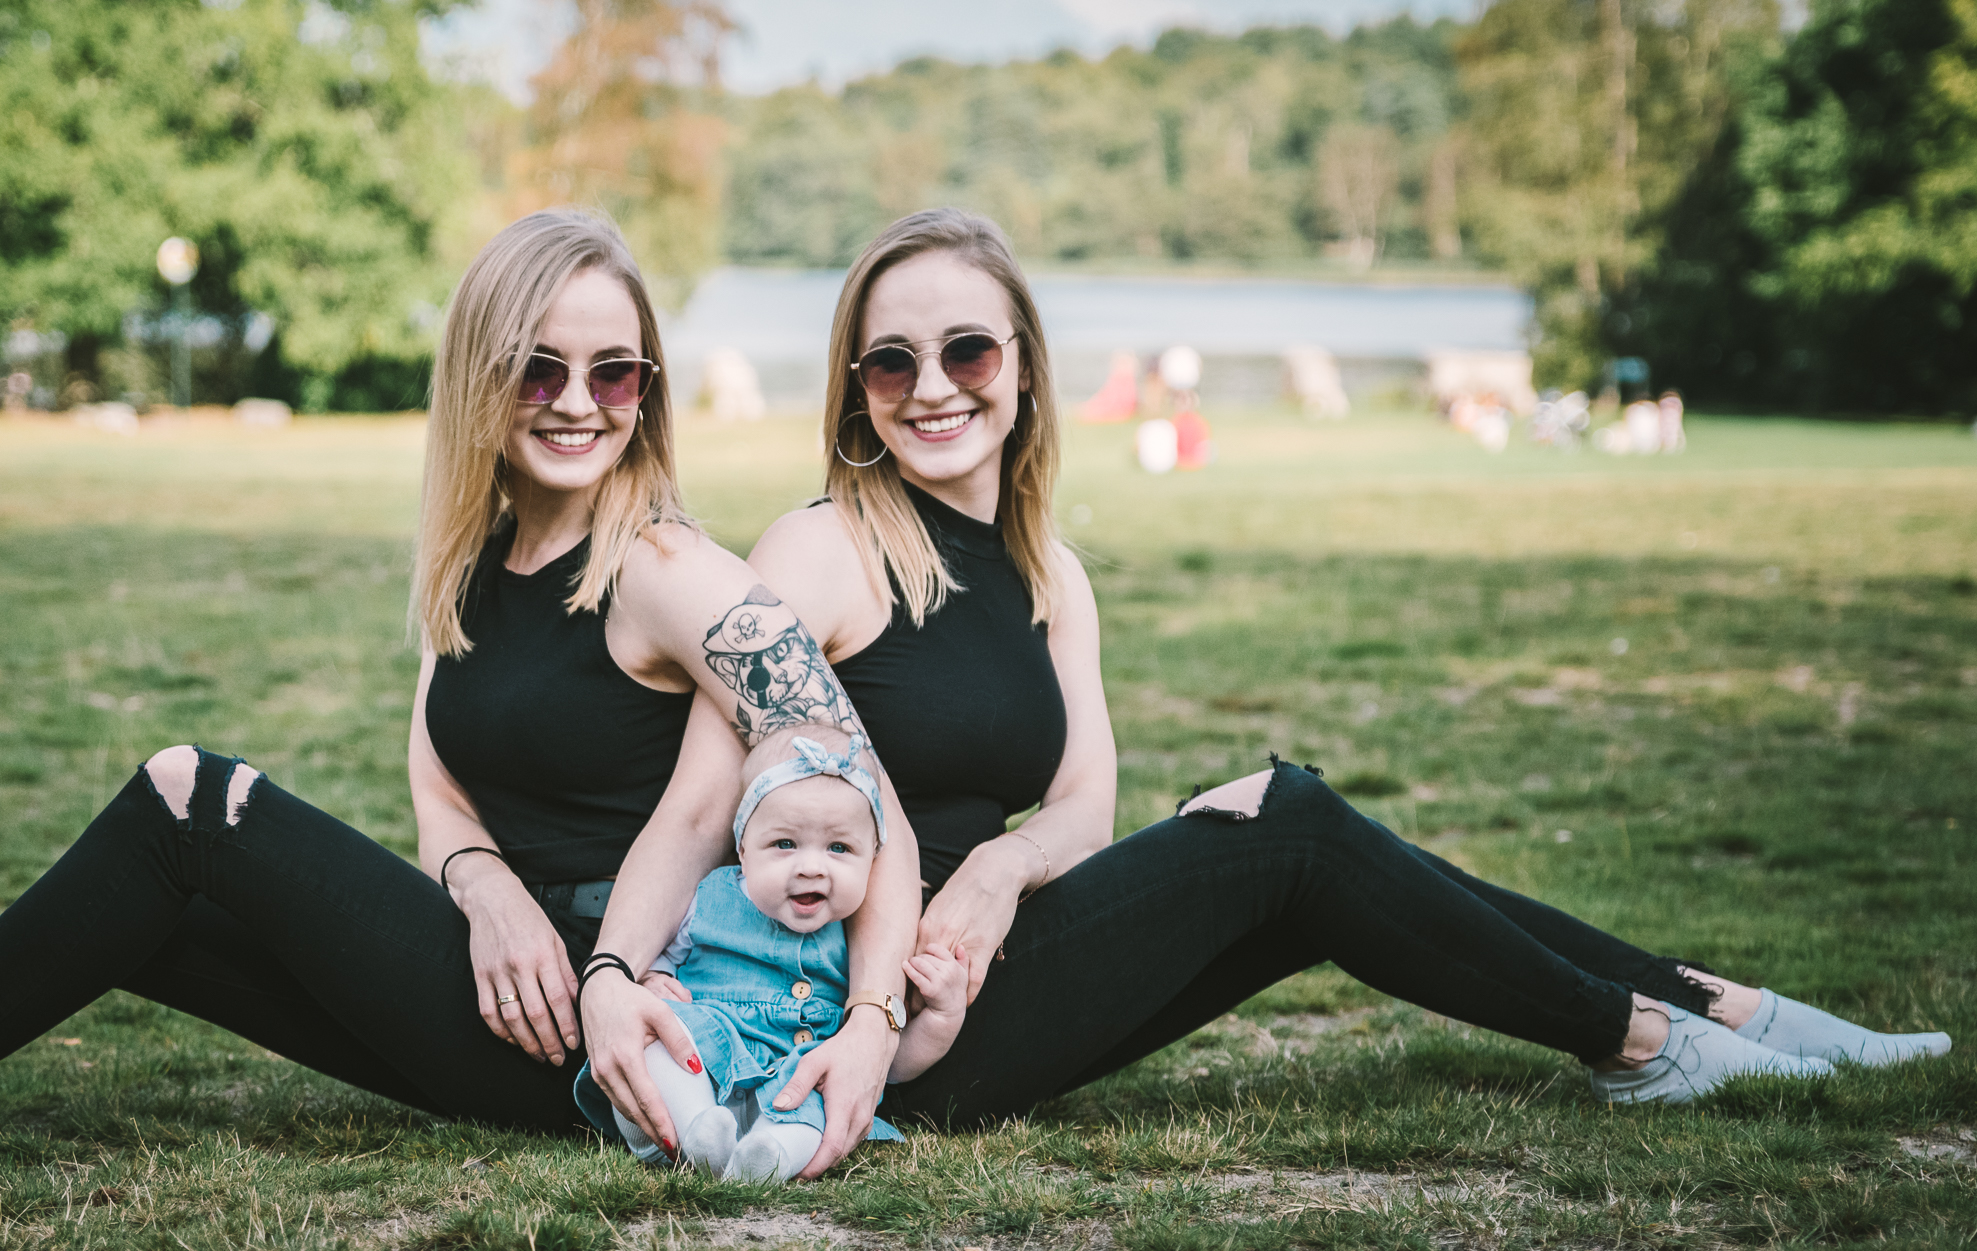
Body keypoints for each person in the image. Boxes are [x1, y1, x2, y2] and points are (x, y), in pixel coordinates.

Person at [0, 209, 919, 1173]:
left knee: (189, 800)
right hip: (497, 965)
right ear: (481, 375)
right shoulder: (478, 556)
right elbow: (437, 780)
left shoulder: (666, 569)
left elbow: (856, 783)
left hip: (600, 1028)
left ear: (648, 388)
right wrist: (482, 887)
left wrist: (858, 1023)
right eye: (539, 368)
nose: (577, 401)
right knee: (136, 902)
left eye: (615, 373)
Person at [726, 207, 1947, 1136]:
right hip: (887, 1018)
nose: (934, 387)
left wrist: (1002, 868)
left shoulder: (1050, 574)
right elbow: (709, 807)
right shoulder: (819, 551)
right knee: (1294, 823)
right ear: (857, 389)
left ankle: (1718, 1006)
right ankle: (1641, 1038)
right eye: (892, 363)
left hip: (988, 954)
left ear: (1024, 366)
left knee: (1287, 829)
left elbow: (1084, 806)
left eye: (968, 350)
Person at [577, 724, 966, 1181]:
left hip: (797, 1074)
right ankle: (697, 1129)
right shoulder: (707, 898)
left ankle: (769, 1155)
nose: (811, 867)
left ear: (873, 860)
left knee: (817, 1109)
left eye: (839, 848)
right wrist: (652, 978)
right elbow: (661, 954)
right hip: (708, 1047)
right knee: (660, 1046)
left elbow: (889, 1064)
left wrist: (943, 1016)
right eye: (784, 844)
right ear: (743, 848)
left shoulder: (863, 939)